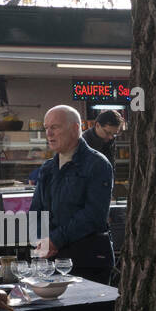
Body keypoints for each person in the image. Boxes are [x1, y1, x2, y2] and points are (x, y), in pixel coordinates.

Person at [29, 105, 115, 283]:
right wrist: (42, 241)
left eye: (55, 127)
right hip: (52, 261)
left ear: (76, 128)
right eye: (46, 128)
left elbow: (94, 215)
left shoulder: (97, 164)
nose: (49, 134)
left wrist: (55, 240)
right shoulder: (47, 169)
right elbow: (36, 212)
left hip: (88, 261)